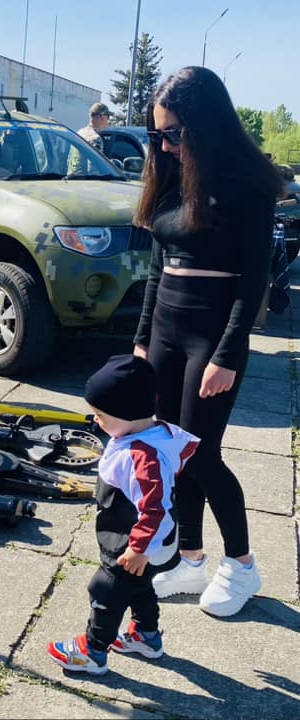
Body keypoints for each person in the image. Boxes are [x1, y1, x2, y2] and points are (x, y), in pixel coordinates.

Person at [132, 66, 283, 617]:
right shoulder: (170, 172)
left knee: (202, 455)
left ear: (206, 126)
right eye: (159, 135)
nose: (165, 146)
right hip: (166, 333)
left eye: (175, 133)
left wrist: (227, 355)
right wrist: (143, 340)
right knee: (172, 455)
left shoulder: (249, 183)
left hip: (212, 340)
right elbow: (156, 269)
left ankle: (242, 566)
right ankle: (190, 559)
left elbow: (253, 281)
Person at [47, 354, 199, 675]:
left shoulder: (142, 457)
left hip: (131, 541)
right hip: (140, 538)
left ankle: (93, 651)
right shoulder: (149, 434)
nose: (97, 421)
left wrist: (138, 548)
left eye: (101, 415)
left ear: (127, 413)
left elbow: (154, 507)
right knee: (140, 588)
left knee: (106, 589)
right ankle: (146, 637)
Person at [68, 102, 111, 175]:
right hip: (84, 183)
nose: (108, 121)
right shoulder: (95, 139)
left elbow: (69, 160)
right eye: (108, 117)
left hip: (71, 179)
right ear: (102, 117)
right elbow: (93, 172)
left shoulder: (79, 133)